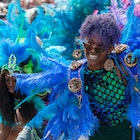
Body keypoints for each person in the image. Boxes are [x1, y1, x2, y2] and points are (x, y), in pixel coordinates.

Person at [15, 13, 140, 140]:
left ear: (109, 49)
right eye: (89, 43)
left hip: (128, 134)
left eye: (100, 47)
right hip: (97, 136)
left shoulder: (122, 67)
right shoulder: (76, 74)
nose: (92, 50)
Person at [0, 54, 44, 140]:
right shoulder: (5, 97)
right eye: (7, 80)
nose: (11, 84)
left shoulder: (35, 94)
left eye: (15, 80)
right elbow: (5, 131)